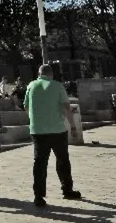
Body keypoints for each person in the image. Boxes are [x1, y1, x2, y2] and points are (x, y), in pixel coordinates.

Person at [24, 64, 82, 207]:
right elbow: (67, 107)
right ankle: (67, 190)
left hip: (38, 131)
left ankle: (38, 196)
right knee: (63, 160)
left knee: (40, 163)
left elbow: (25, 106)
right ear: (52, 74)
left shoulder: (31, 86)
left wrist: (34, 118)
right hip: (57, 129)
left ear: (39, 74)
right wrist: (73, 126)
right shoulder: (58, 86)